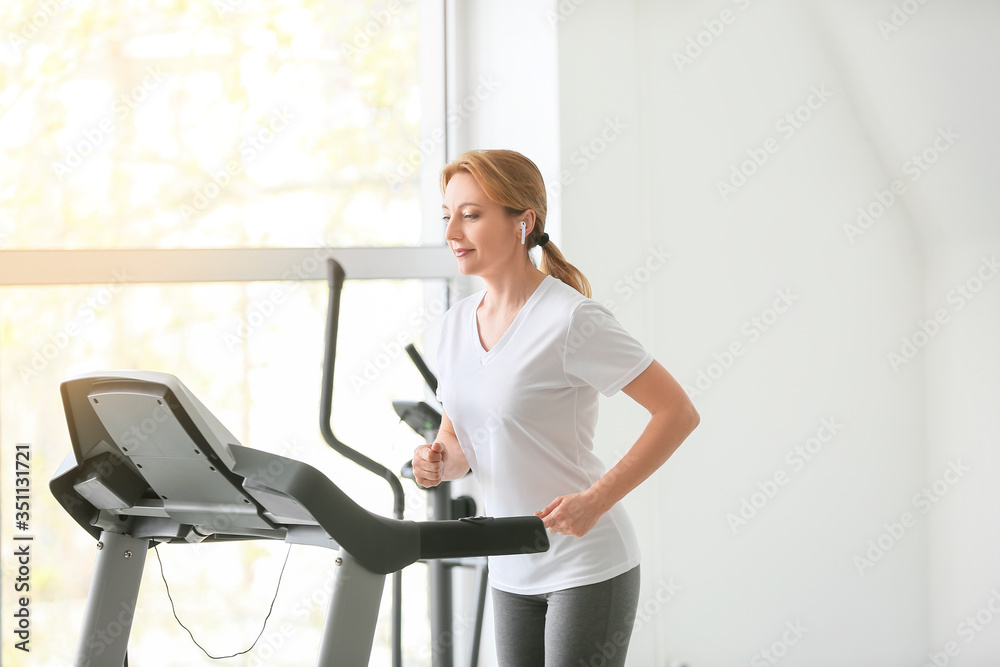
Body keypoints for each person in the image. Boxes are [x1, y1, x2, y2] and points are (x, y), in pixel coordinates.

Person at [411, 149, 699, 667]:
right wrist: (436, 461)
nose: (453, 230)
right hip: (509, 565)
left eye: (471, 214)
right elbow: (458, 444)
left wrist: (595, 500)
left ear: (523, 222)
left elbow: (677, 412)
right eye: (447, 215)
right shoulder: (453, 325)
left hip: (585, 567)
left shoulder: (570, 319)